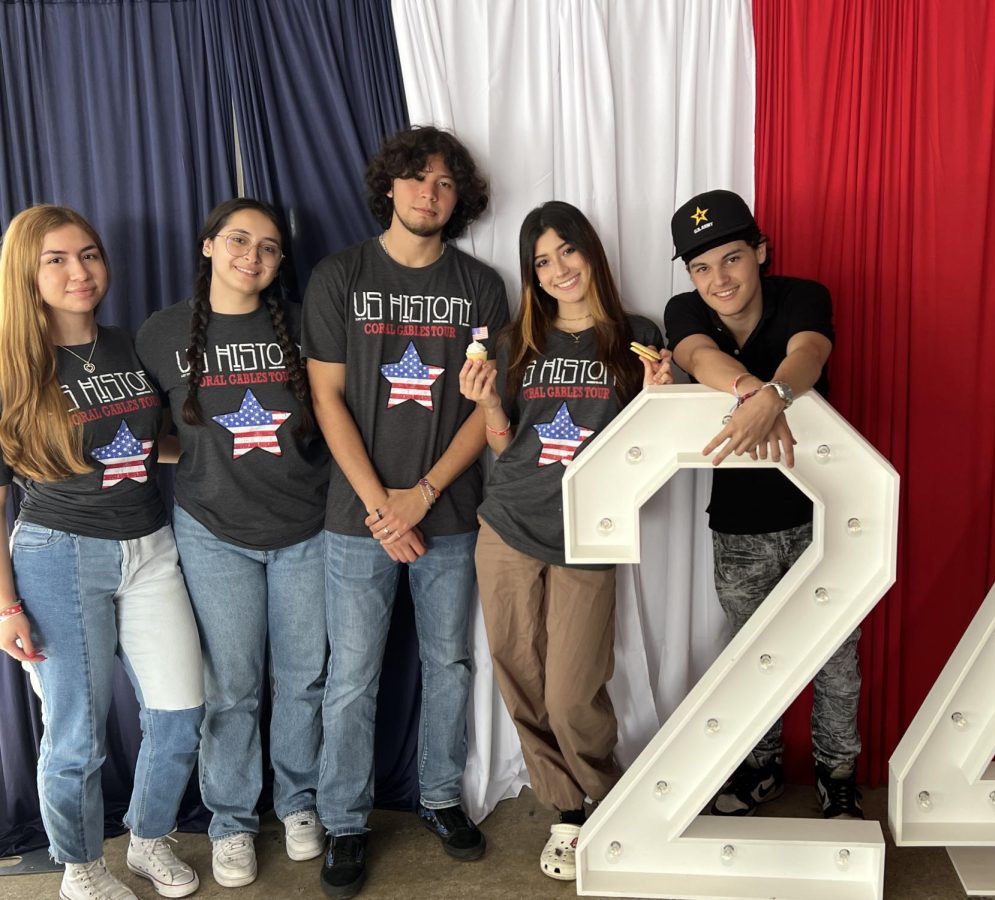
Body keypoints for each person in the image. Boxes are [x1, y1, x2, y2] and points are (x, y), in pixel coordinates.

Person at [301, 125, 509, 899]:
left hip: (449, 511)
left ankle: (442, 798)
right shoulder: (340, 276)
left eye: (446, 184)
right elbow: (325, 397)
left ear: (460, 200)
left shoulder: (480, 286)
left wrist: (419, 496)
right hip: (355, 518)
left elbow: (483, 411)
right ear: (389, 186)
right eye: (417, 179)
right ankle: (345, 820)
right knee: (351, 676)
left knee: (449, 664)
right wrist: (380, 505)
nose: (431, 193)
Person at [460, 201, 672, 881]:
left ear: (591, 253)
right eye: (541, 261)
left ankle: (606, 797)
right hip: (509, 524)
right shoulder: (516, 341)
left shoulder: (635, 337)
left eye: (567, 252)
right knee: (518, 673)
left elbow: (650, 448)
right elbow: (502, 444)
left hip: (591, 531)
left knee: (573, 689)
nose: (557, 271)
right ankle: (566, 811)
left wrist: (658, 399)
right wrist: (489, 404)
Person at [0, 205, 204, 899]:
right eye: (55, 258)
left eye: (88, 254)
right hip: (59, 555)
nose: (78, 271)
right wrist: (4, 606)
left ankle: (148, 840)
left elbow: (151, 446)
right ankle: (81, 867)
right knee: (77, 736)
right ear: (27, 271)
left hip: (150, 546)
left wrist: (224, 450)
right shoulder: (12, 365)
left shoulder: (131, 344)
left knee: (181, 712)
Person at [136, 199, 331, 888]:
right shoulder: (162, 333)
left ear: (281, 262)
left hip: (307, 526)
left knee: (305, 677)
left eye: (270, 247)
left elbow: (340, 410)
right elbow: (142, 430)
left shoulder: (308, 321)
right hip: (213, 532)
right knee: (232, 689)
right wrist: (192, 457)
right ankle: (232, 822)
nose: (254, 255)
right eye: (240, 240)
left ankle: (300, 803)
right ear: (209, 246)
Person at [663, 190, 863, 818]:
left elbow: (810, 353)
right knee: (754, 653)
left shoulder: (803, 294)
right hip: (740, 522)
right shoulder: (683, 311)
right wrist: (755, 392)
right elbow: (698, 357)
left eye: (731, 259)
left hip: (824, 513)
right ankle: (764, 767)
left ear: (760, 253)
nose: (718, 279)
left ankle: (837, 775)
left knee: (835, 657)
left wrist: (778, 390)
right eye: (701, 268)